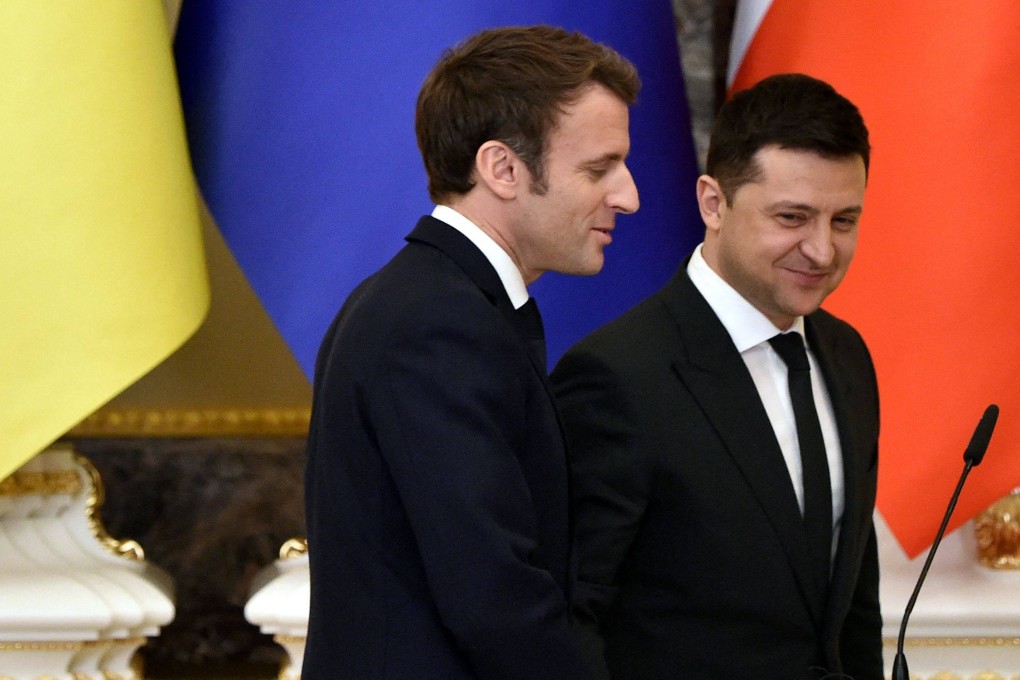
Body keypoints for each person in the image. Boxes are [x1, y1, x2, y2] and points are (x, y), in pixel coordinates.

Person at [302, 25, 640, 680]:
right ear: (503, 169)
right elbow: (495, 597)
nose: (629, 196)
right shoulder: (436, 324)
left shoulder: (429, 303)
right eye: (599, 169)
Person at [551, 73, 882, 679]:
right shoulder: (617, 377)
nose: (822, 251)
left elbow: (853, 602)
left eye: (843, 221)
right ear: (713, 203)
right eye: (792, 217)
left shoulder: (848, 356)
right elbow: (570, 618)